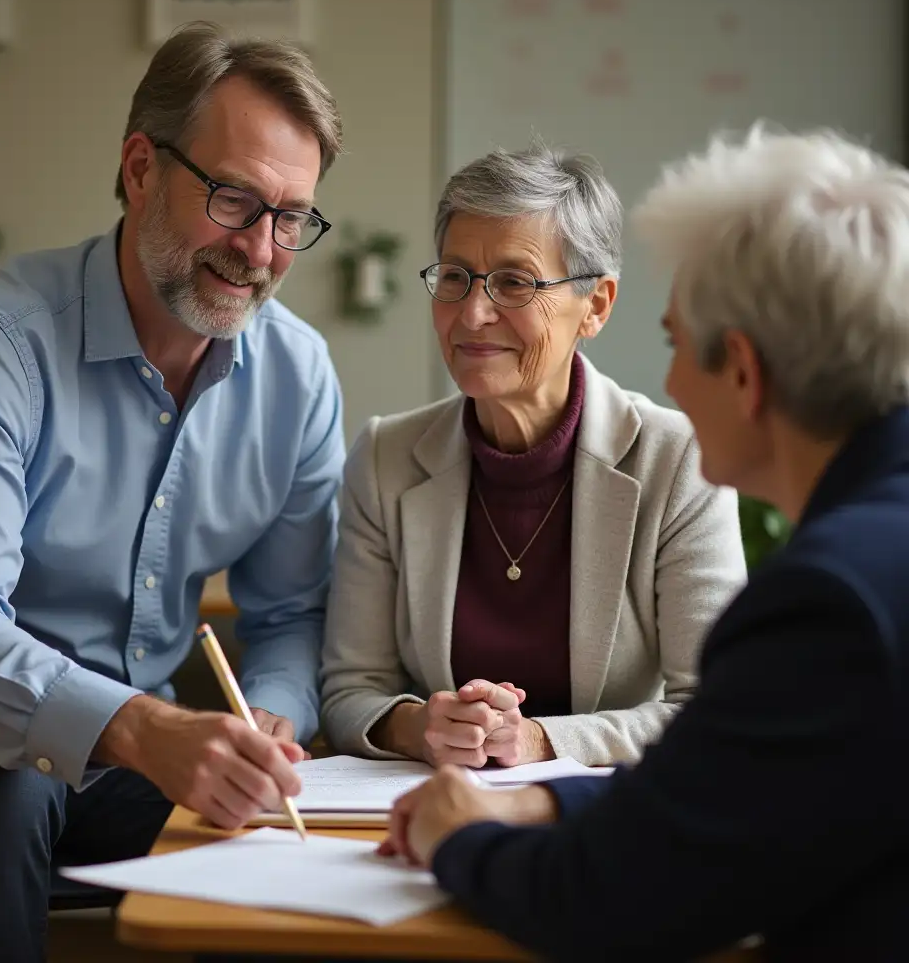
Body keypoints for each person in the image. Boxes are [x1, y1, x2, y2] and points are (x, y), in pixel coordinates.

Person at [382, 126, 909, 962]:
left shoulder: (834, 598)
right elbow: (732, 788)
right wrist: (544, 805)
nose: (664, 386)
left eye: (674, 343)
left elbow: (614, 895)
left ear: (742, 369)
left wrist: (454, 838)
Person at [0, 23, 345, 963]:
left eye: (291, 217)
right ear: (140, 169)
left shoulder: (298, 375)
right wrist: (145, 727)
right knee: (3, 777)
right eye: (233, 198)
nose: (260, 249)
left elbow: (294, 612)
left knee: (302, 825)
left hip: (130, 749)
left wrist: (267, 720)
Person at [321, 145, 745, 770]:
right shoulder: (387, 456)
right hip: (431, 807)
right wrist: (422, 726)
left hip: (606, 816)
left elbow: (714, 705)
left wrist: (540, 741)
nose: (471, 312)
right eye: (455, 276)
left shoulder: (676, 459)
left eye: (514, 282)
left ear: (596, 305)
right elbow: (349, 689)